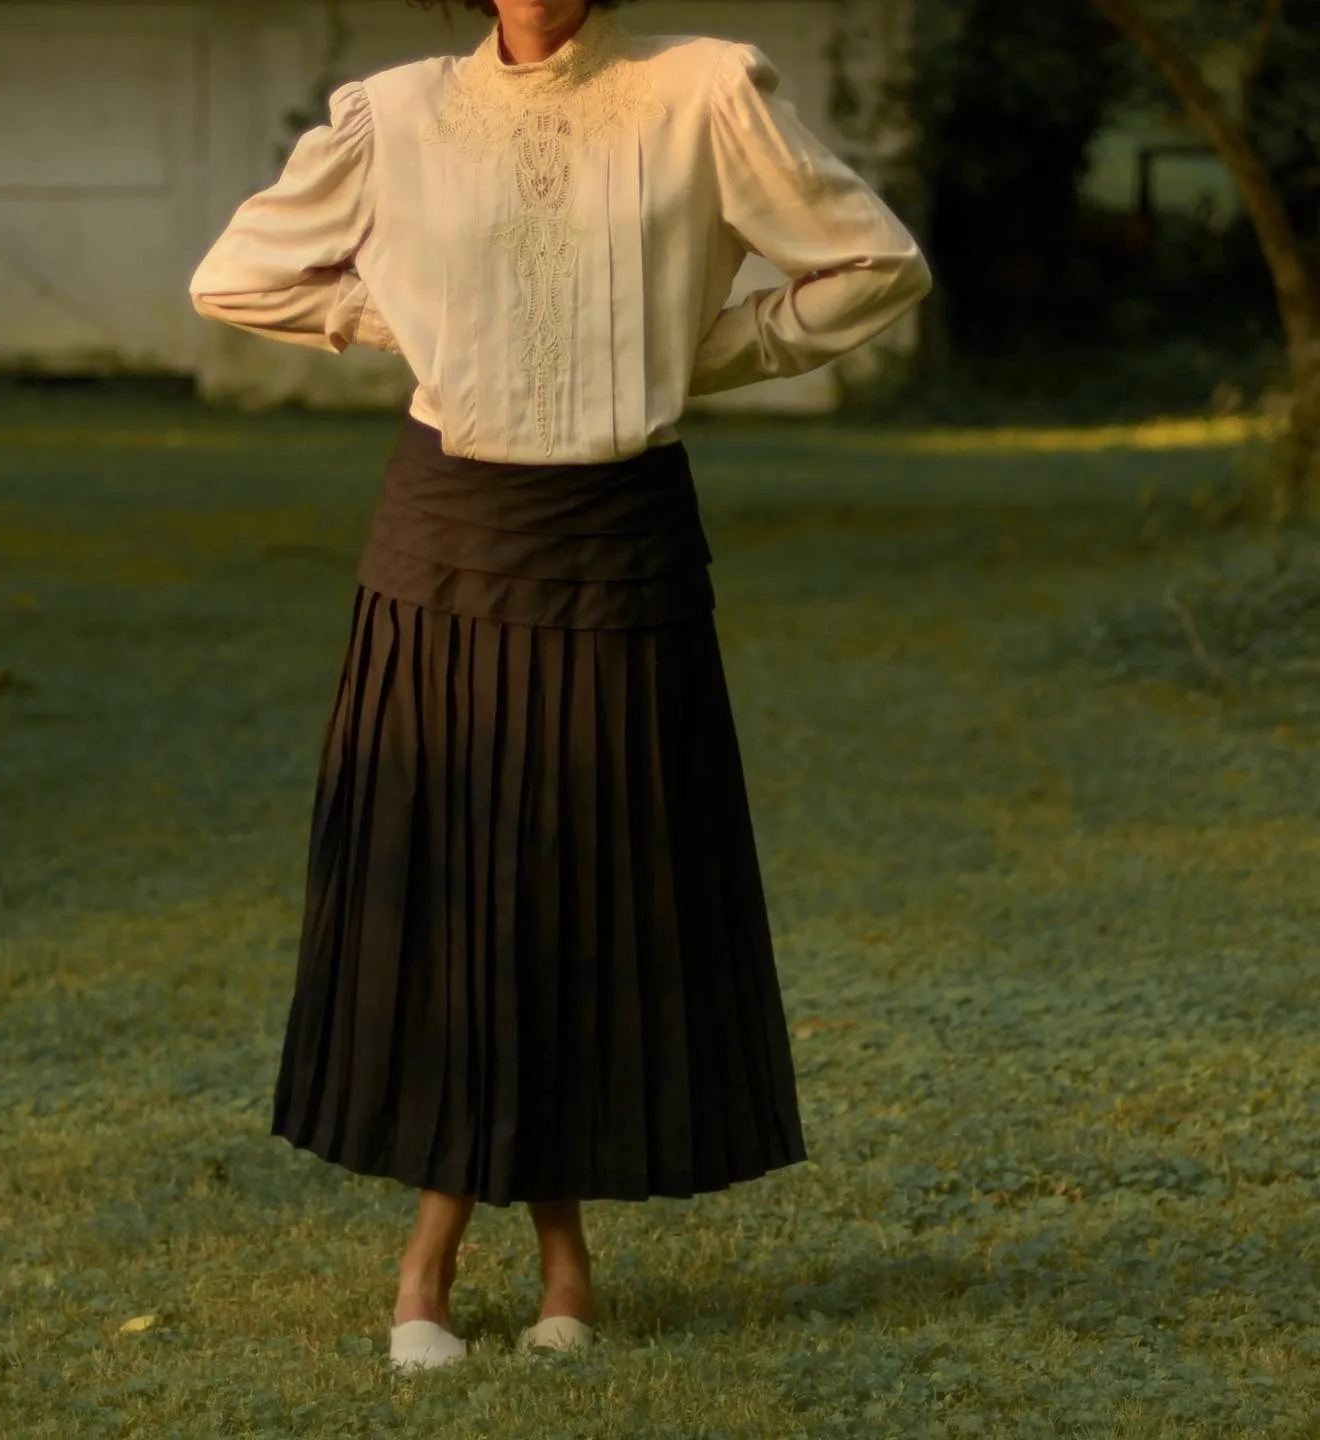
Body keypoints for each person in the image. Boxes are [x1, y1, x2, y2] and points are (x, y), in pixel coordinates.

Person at [189, 0, 931, 1375]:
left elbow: (872, 266)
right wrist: (407, 319)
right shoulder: (392, 112)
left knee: (592, 893)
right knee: (454, 888)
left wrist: (685, 350)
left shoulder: (703, 91)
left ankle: (566, 1263)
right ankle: (425, 1266)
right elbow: (237, 277)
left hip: (620, 544)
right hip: (444, 547)